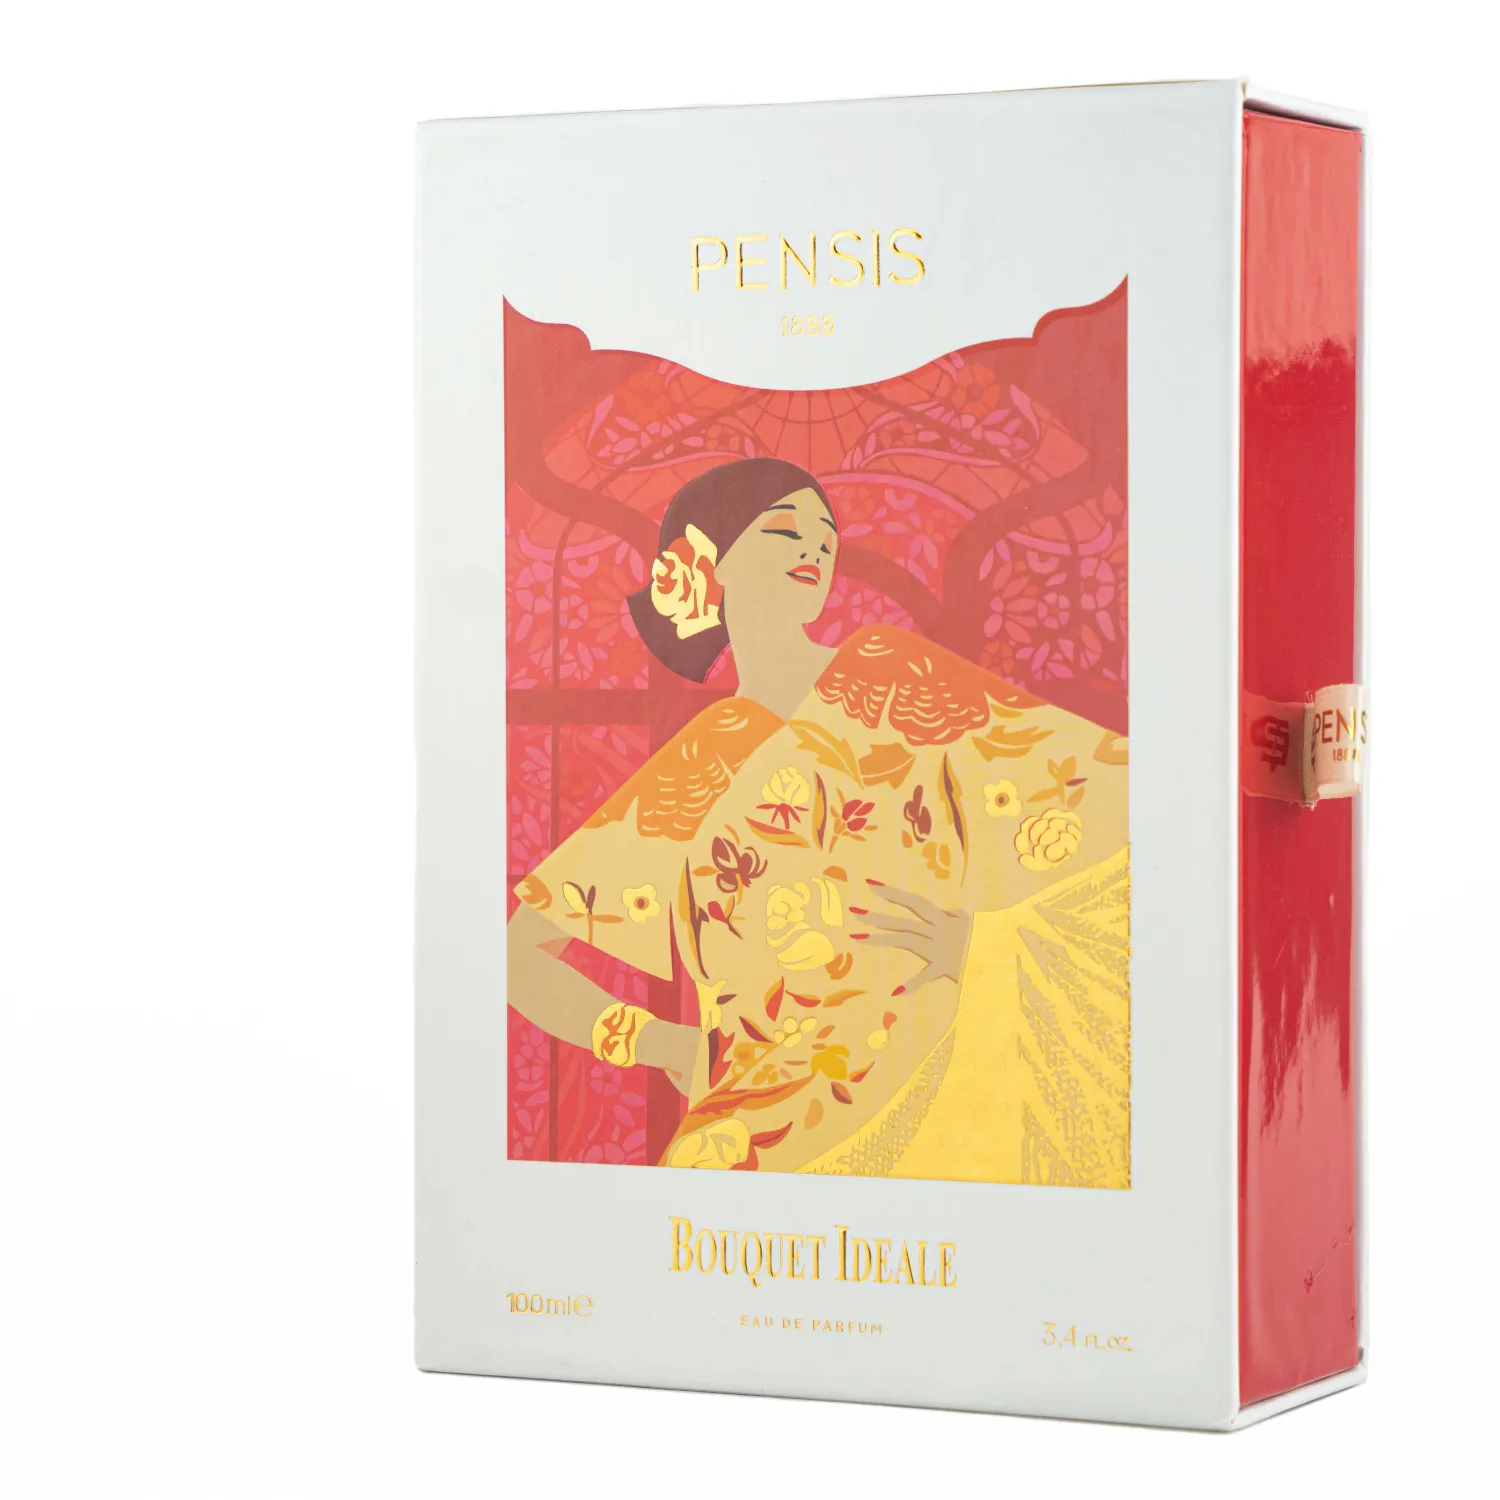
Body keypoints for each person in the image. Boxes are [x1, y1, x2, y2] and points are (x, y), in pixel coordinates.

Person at [508, 457, 1130, 1184]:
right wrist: (662, 1046)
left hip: (933, 1079)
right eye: (785, 530)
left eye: (827, 539)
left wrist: (982, 942)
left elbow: (1125, 814)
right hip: (747, 1126)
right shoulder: (702, 760)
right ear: (711, 562)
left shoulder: (889, 674)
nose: (815, 550)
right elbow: (520, 957)